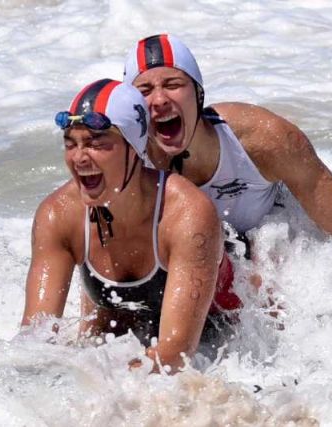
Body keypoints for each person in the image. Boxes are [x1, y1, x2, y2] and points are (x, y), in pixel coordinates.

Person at [123, 34, 332, 315]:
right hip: (206, 267)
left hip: (280, 241)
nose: (158, 100)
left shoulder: (262, 139)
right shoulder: (126, 164)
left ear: (198, 94)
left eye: (173, 85)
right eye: (144, 90)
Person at [22, 79, 239, 373]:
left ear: (135, 148)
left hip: (223, 338)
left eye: (97, 143)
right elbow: (35, 338)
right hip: (124, 322)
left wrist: (93, 381)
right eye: (71, 144)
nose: (79, 157)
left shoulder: (186, 212)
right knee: (88, 343)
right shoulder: (58, 215)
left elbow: (175, 356)